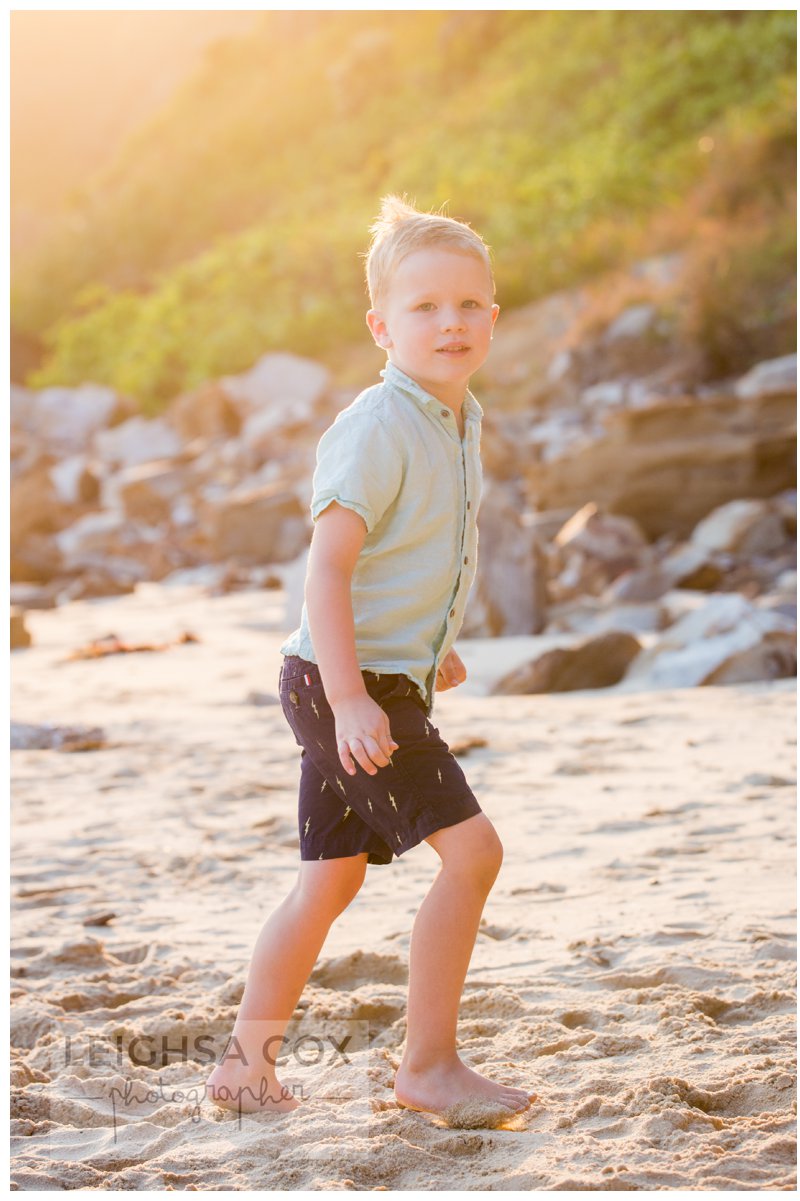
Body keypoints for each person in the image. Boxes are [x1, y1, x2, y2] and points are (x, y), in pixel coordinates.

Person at [206, 196, 534, 1121]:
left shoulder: (457, 416)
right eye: (425, 308)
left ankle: (244, 1066)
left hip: (375, 677)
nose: (452, 324)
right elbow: (329, 571)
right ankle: (427, 1065)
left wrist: (435, 649)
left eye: (471, 306)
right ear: (380, 326)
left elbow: (417, 553)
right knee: (472, 856)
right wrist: (355, 697)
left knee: (330, 880)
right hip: (343, 685)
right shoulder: (377, 426)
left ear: (495, 319)